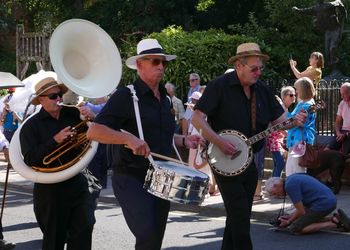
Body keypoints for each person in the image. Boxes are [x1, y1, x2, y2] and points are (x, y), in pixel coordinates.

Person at [86, 38, 202, 250]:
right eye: (155, 62)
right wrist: (128, 139)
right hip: (131, 175)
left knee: (154, 238)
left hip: (161, 177)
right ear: (140, 65)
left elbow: (161, 136)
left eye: (163, 62)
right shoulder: (126, 96)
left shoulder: (166, 100)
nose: (161, 66)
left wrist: (184, 140)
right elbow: (94, 131)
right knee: (147, 232)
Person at [192, 42, 306, 250]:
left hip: (250, 161)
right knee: (240, 218)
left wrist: (295, 121)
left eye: (260, 68)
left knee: (239, 216)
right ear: (239, 66)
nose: (258, 72)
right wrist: (219, 141)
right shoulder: (219, 86)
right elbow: (197, 119)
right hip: (223, 162)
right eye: (254, 68)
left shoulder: (261, 90)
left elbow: (282, 120)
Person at [19, 77, 95, 250]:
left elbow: (90, 136)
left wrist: (93, 119)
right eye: (53, 96)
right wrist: (55, 140)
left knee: (85, 228)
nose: (59, 99)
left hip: (77, 181)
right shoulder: (31, 126)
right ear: (42, 100)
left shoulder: (74, 115)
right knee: (54, 239)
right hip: (50, 189)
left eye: (59, 94)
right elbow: (30, 159)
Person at [265, 174, 350, 234]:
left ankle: (333, 223)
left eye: (274, 193)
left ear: (276, 185)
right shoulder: (291, 179)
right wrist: (290, 217)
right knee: (301, 219)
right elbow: (301, 209)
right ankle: (334, 218)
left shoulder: (289, 186)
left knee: (295, 228)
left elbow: (301, 211)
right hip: (326, 200)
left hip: (324, 204)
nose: (276, 196)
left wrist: (288, 222)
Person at [292, 0, 347, 67]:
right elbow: (306, 10)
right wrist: (297, 10)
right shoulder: (316, 8)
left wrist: (343, 14)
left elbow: (339, 2)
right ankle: (333, 66)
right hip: (328, 30)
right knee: (327, 51)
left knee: (332, 48)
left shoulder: (329, 5)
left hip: (336, 29)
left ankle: (336, 62)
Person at [285, 77, 317, 177]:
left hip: (299, 141)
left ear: (303, 89)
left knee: (296, 171)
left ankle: (297, 192)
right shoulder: (303, 103)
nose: (296, 92)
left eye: (297, 89)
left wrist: (283, 109)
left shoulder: (307, 105)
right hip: (295, 140)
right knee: (291, 171)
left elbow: (297, 122)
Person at [267, 86, 296, 177]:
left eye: (295, 95)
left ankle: (272, 184)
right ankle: (274, 184)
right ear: (284, 97)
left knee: (277, 164)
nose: (294, 97)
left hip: (279, 139)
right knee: (280, 163)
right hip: (273, 139)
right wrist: (287, 133)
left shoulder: (285, 109)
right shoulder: (280, 107)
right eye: (291, 95)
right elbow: (276, 124)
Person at [327, 82, 350, 154]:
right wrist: (338, 133)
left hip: (348, 134)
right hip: (343, 133)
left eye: (344, 94)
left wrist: (345, 135)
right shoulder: (342, 103)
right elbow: (337, 122)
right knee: (327, 150)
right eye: (341, 94)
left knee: (344, 155)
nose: (341, 96)